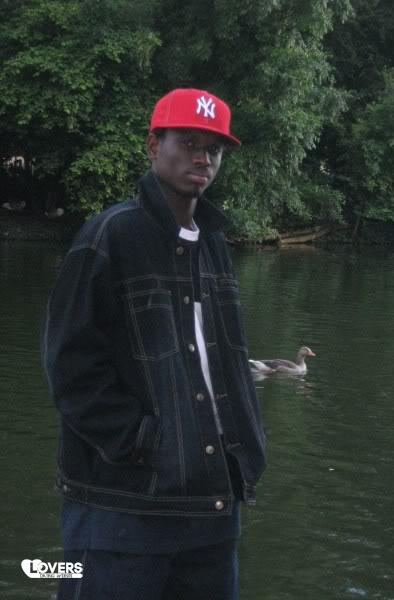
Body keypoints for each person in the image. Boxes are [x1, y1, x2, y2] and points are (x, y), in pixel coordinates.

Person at [42, 88, 266, 599]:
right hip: (121, 508)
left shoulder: (214, 244)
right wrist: (144, 442)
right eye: (188, 142)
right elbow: (68, 367)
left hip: (214, 505)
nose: (202, 157)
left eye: (214, 148)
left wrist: (247, 445)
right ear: (152, 146)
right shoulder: (108, 236)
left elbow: (223, 362)